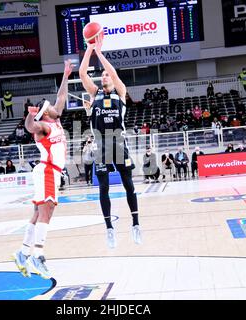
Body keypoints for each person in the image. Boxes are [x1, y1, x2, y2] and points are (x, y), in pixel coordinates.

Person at [79, 32, 141, 248]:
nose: (104, 76)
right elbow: (82, 73)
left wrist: (99, 52)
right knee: (103, 188)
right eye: (103, 75)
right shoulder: (95, 94)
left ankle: (135, 224)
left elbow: (114, 74)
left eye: (106, 75)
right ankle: (109, 229)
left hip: (118, 144)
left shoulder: (120, 92)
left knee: (128, 185)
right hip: (100, 146)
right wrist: (89, 48)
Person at [12, 59, 73, 279]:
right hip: (47, 170)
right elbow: (30, 126)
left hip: (51, 172)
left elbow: (62, 97)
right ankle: (38, 256)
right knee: (46, 212)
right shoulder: (44, 126)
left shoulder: (54, 120)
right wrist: (30, 114)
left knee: (40, 213)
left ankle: (22, 253)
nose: (56, 108)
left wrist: (66, 75)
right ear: (45, 113)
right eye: (50, 108)